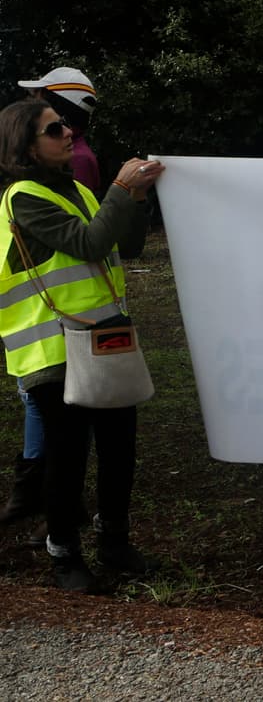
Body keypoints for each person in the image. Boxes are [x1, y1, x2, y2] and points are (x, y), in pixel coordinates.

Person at [0, 98, 164, 592]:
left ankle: (114, 541)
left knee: (120, 447)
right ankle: (64, 553)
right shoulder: (22, 197)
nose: (68, 132)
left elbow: (125, 246)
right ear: (26, 146)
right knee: (67, 455)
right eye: (54, 129)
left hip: (102, 335)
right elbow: (89, 244)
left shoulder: (76, 190)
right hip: (51, 349)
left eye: (66, 125)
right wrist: (118, 188)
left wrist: (134, 200)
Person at [0, 68, 102, 546]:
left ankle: (37, 498)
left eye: (55, 112)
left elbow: (93, 240)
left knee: (59, 429)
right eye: (49, 123)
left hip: (70, 329)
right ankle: (48, 510)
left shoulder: (73, 170)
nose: (59, 128)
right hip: (52, 332)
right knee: (59, 430)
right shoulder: (29, 188)